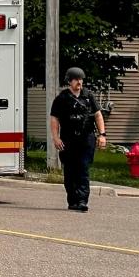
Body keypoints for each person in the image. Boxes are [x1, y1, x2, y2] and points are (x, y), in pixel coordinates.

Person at [50, 67, 107, 212]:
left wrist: (102, 135)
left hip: (86, 138)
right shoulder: (62, 98)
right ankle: (72, 200)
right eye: (76, 79)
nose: (79, 82)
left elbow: (98, 115)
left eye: (81, 79)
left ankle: (82, 200)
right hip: (68, 139)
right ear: (69, 81)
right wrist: (56, 137)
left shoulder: (89, 96)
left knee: (83, 168)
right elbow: (54, 119)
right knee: (70, 171)